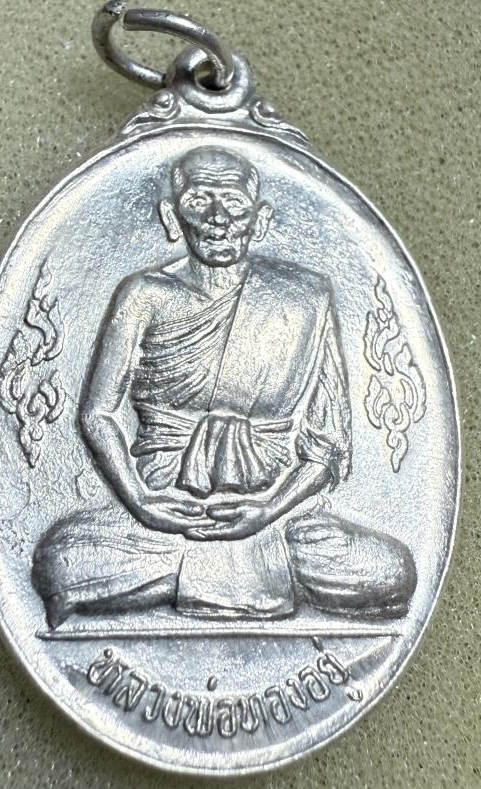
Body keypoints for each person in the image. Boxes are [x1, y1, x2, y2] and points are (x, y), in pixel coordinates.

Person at [32, 146, 416, 628]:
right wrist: (143, 503)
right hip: (169, 507)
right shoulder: (145, 295)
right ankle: (244, 573)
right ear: (173, 217)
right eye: (199, 201)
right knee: (61, 563)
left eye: (233, 202)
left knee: (391, 571)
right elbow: (98, 414)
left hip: (274, 511)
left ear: (260, 218)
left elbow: (327, 445)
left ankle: (199, 574)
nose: (218, 217)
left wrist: (266, 508)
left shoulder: (305, 298)